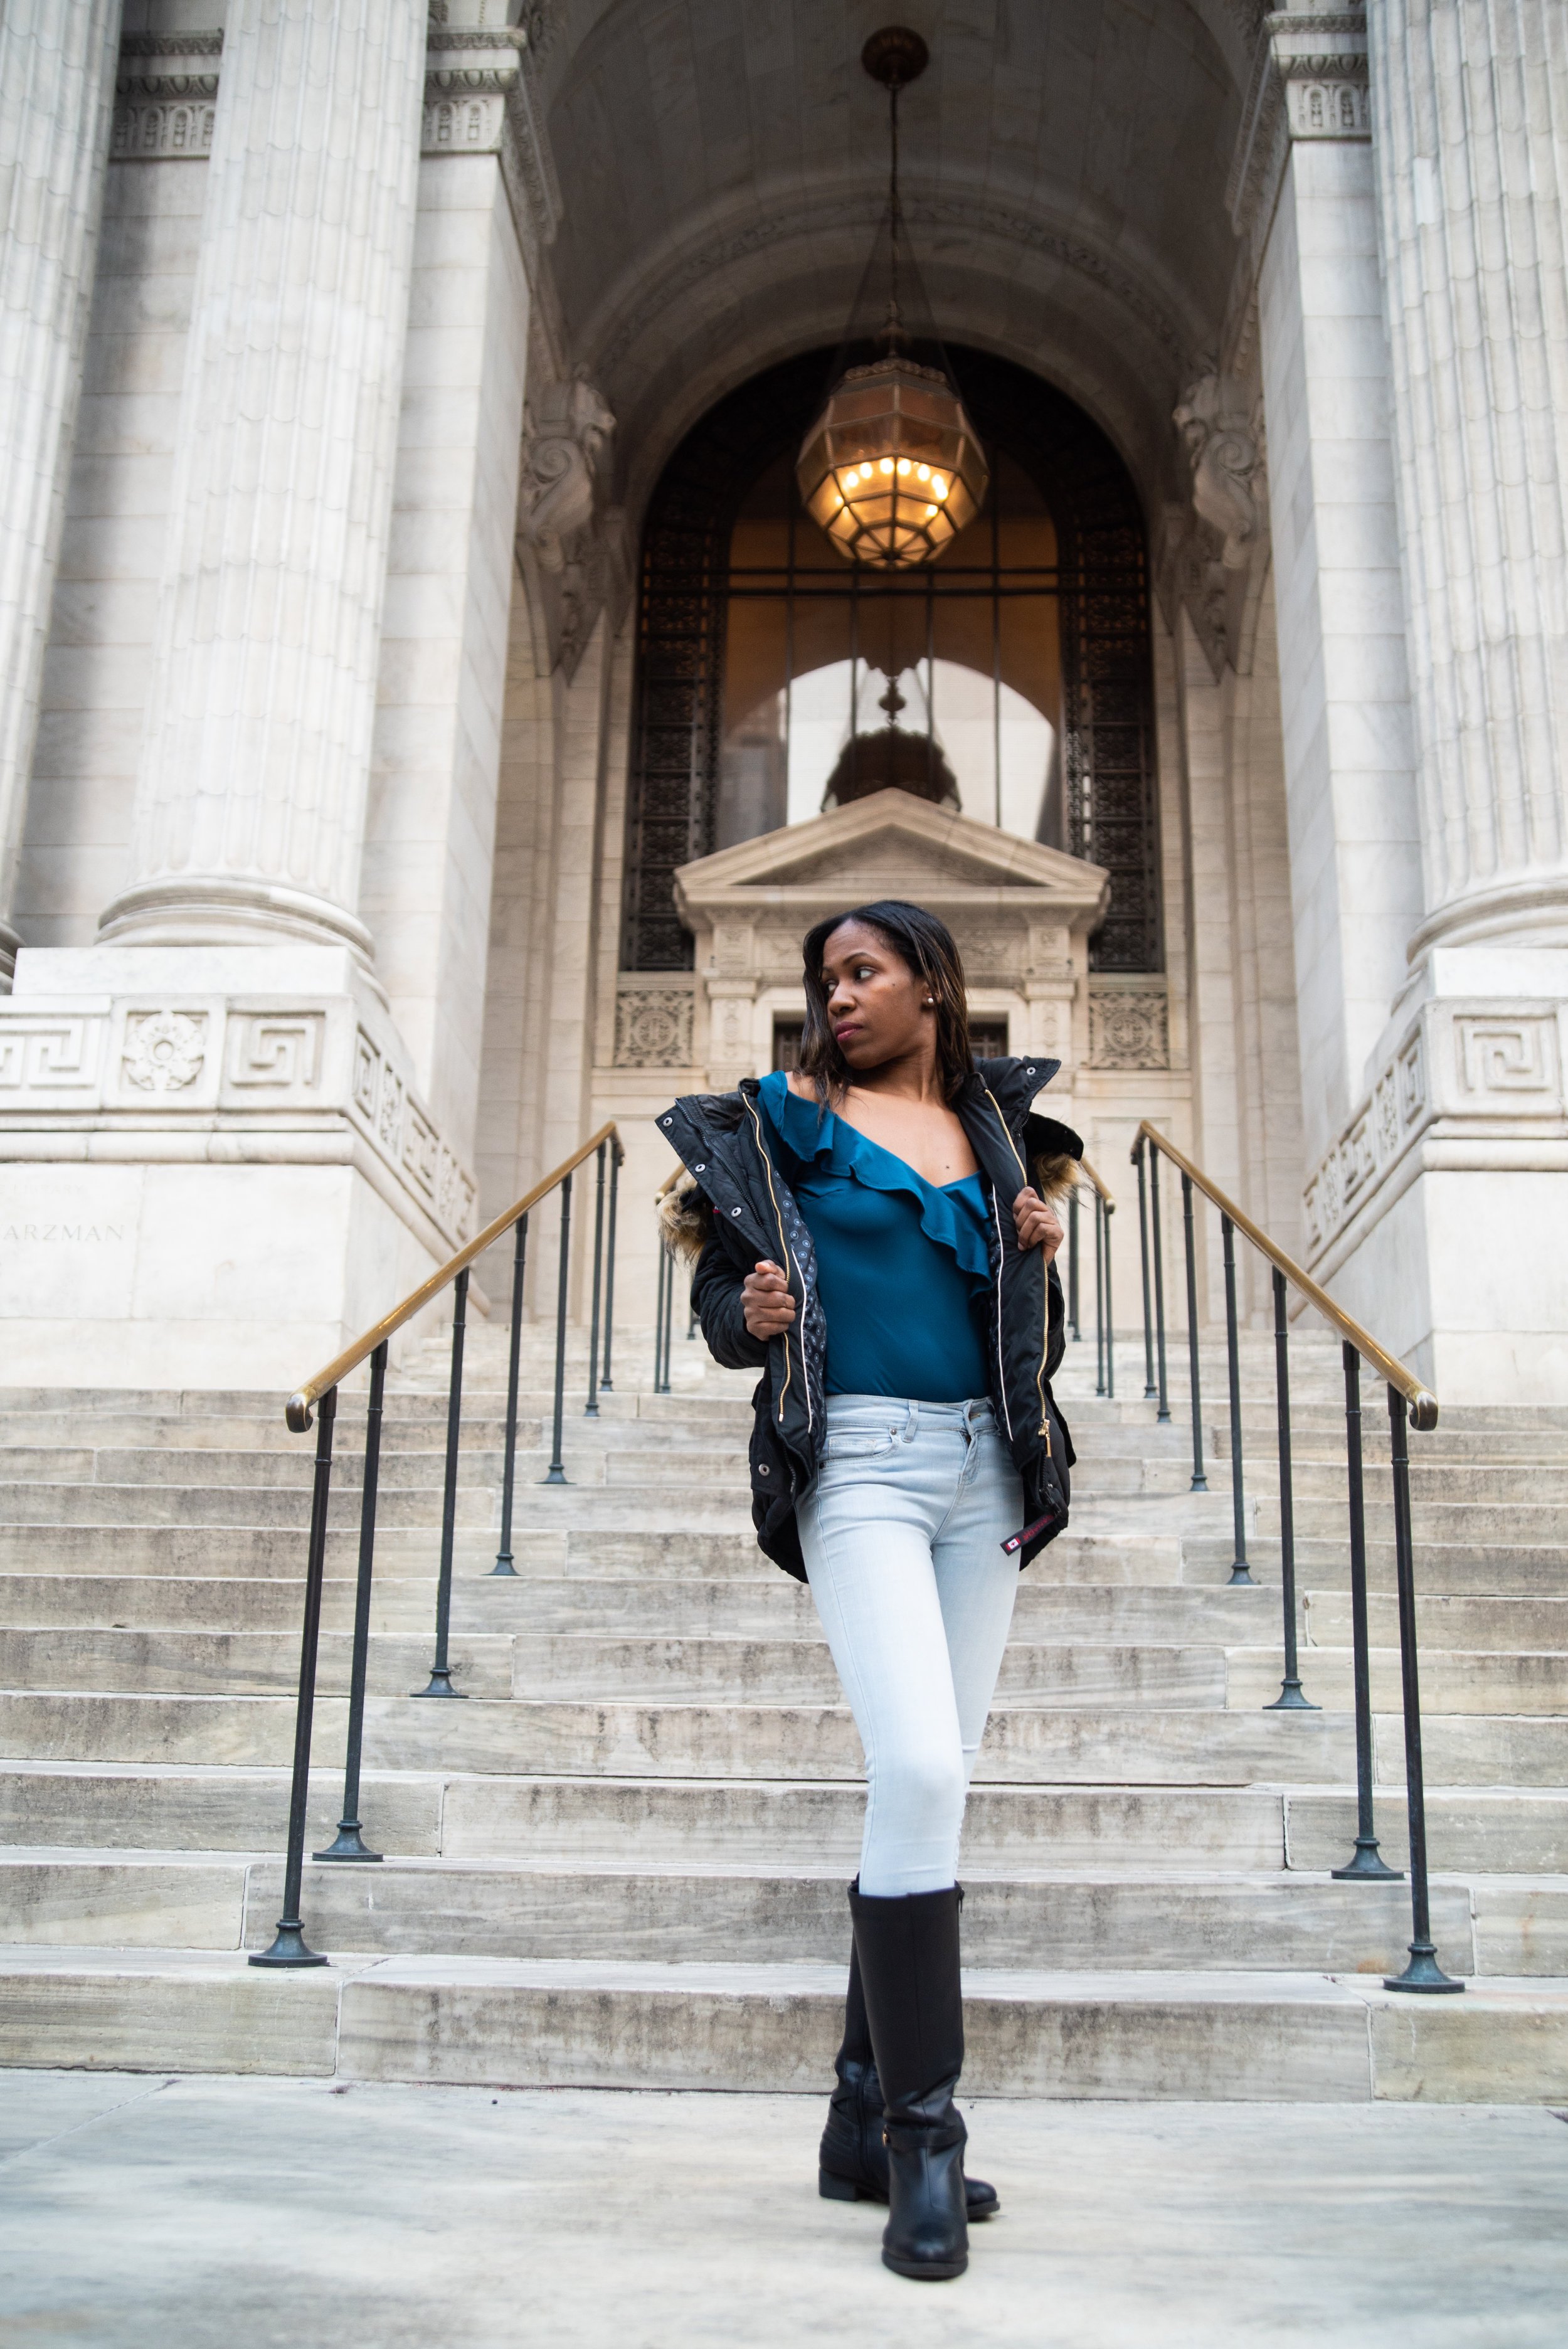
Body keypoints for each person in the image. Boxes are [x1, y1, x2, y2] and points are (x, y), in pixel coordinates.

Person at [656, 899, 1078, 2283]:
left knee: (935, 1775)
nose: (834, 997)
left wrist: (1034, 1257)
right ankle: (922, 2138)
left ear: (931, 986)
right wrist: (749, 1318)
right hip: (865, 1471)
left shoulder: (1000, 1135)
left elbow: (1021, 1334)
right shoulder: (770, 1124)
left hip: (987, 1475)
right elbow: (723, 1302)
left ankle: (854, 2121)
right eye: (822, 978)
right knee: (911, 1760)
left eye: (860, 973)